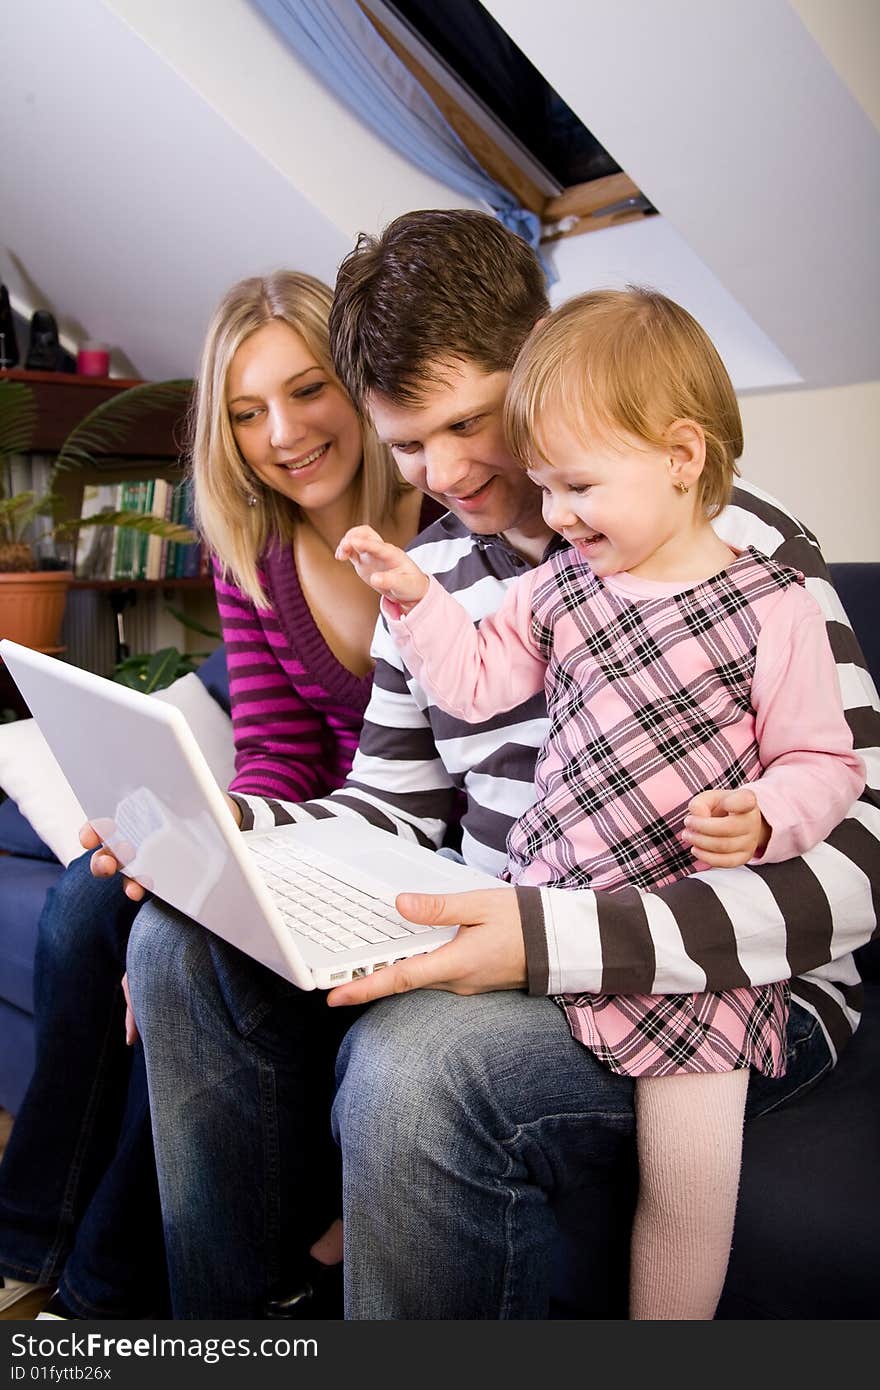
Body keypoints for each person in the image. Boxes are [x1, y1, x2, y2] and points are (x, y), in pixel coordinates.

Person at [121, 210, 878, 1320]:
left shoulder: (733, 551)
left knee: (414, 1066)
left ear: (541, 351)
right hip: (519, 941)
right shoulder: (428, 576)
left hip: (706, 988)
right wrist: (228, 835)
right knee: (172, 937)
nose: (447, 472)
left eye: (469, 422)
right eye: (408, 444)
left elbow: (857, 863)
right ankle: (246, 1325)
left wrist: (544, 938)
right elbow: (385, 806)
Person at [335, 286, 864, 1318]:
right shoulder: (562, 586)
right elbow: (476, 681)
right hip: (550, 913)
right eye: (547, 486)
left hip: (692, 960)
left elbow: (827, 761)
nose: (559, 514)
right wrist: (416, 599)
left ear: (681, 455)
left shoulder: (775, 603)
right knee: (393, 1039)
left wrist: (768, 813)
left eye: (577, 485)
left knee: (684, 1194)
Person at [0, 269, 436, 1320]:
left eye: (307, 390)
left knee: (175, 965)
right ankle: (27, 1244)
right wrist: (219, 834)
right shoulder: (260, 549)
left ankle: (95, 1298)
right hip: (295, 836)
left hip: (398, 853)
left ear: (364, 385)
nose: (281, 434)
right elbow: (276, 752)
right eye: (246, 413)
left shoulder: (445, 526)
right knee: (89, 900)